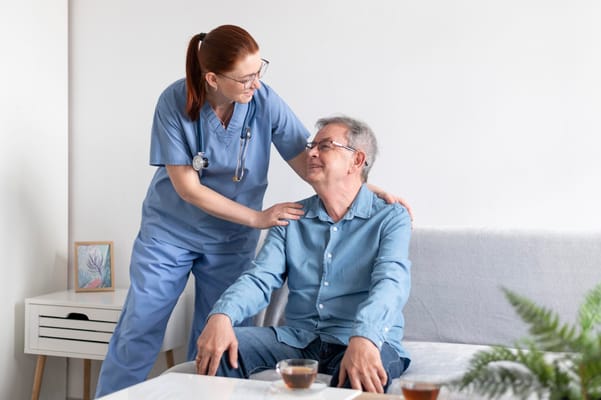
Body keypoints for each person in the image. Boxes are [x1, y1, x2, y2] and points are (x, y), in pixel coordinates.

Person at [95, 25, 411, 397]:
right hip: (171, 233)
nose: (256, 83)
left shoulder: (263, 100)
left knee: (215, 342)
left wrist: (363, 188)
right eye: (246, 77)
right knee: (140, 328)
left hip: (230, 241)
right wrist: (259, 218)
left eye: (260, 70)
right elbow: (187, 187)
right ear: (213, 78)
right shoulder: (174, 102)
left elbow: (307, 158)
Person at [195, 115, 412, 394]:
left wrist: (365, 336)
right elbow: (260, 278)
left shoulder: (390, 217)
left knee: (357, 378)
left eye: (325, 146)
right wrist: (221, 315)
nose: (310, 152)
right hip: (297, 339)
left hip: (362, 338)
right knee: (222, 350)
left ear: (357, 161)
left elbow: (391, 282)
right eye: (312, 145)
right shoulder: (291, 217)